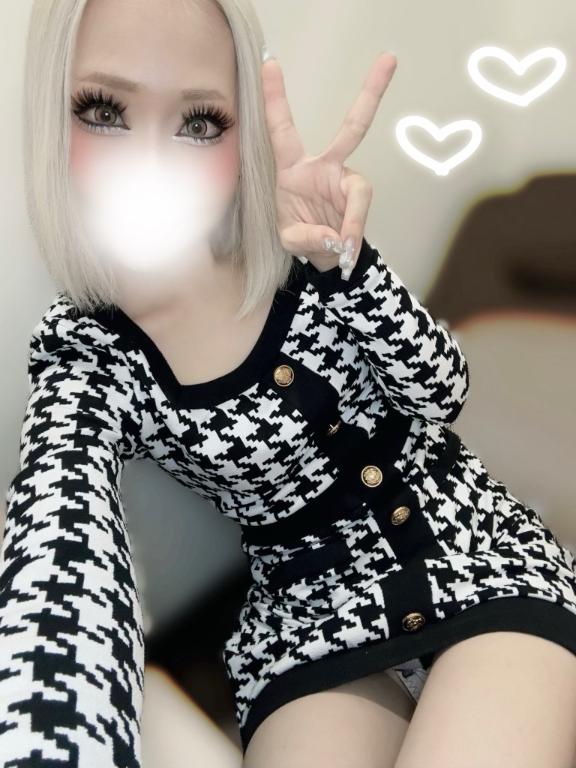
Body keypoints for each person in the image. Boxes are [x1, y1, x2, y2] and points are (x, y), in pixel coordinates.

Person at [2, 2, 576, 768]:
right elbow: (59, 530)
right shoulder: (87, 351)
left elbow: (442, 392)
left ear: (240, 134)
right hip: (307, 627)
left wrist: (349, 266)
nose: (152, 160)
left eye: (199, 122)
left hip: (482, 558)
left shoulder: (297, 242)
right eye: (105, 112)